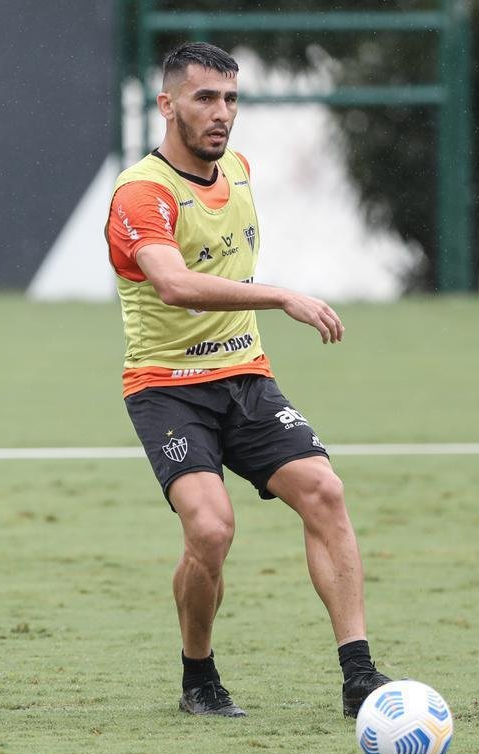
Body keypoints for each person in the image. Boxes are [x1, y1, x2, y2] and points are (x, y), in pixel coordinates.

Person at [105, 42, 390, 718]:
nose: (222, 113)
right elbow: (173, 286)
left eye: (231, 99)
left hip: (244, 376)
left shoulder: (236, 168)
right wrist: (281, 296)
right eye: (205, 98)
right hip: (166, 386)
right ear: (166, 104)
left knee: (324, 490)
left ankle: (359, 676)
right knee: (210, 530)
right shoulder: (139, 193)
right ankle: (197, 677)